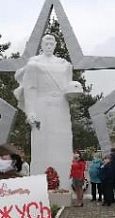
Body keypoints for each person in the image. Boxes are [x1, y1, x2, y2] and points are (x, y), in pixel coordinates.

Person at [13, 34, 83, 191]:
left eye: (52, 42)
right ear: (42, 45)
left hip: (61, 107)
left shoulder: (64, 65)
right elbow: (30, 89)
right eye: (46, 42)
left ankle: (65, 184)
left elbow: (67, 87)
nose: (49, 44)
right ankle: (40, 186)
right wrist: (30, 112)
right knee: (41, 143)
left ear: (56, 45)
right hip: (41, 106)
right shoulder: (34, 64)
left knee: (62, 142)